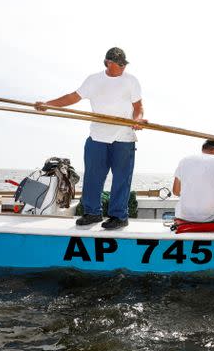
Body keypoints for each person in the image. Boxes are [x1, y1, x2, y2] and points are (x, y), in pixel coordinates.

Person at [36, 47, 144, 230]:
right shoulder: (94, 80)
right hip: (97, 136)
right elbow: (73, 97)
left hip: (124, 137)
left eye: (125, 63)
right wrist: (48, 104)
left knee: (121, 178)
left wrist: (137, 120)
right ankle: (92, 213)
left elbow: (138, 107)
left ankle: (119, 216)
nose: (123, 66)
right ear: (109, 63)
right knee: (93, 177)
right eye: (120, 64)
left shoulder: (131, 81)